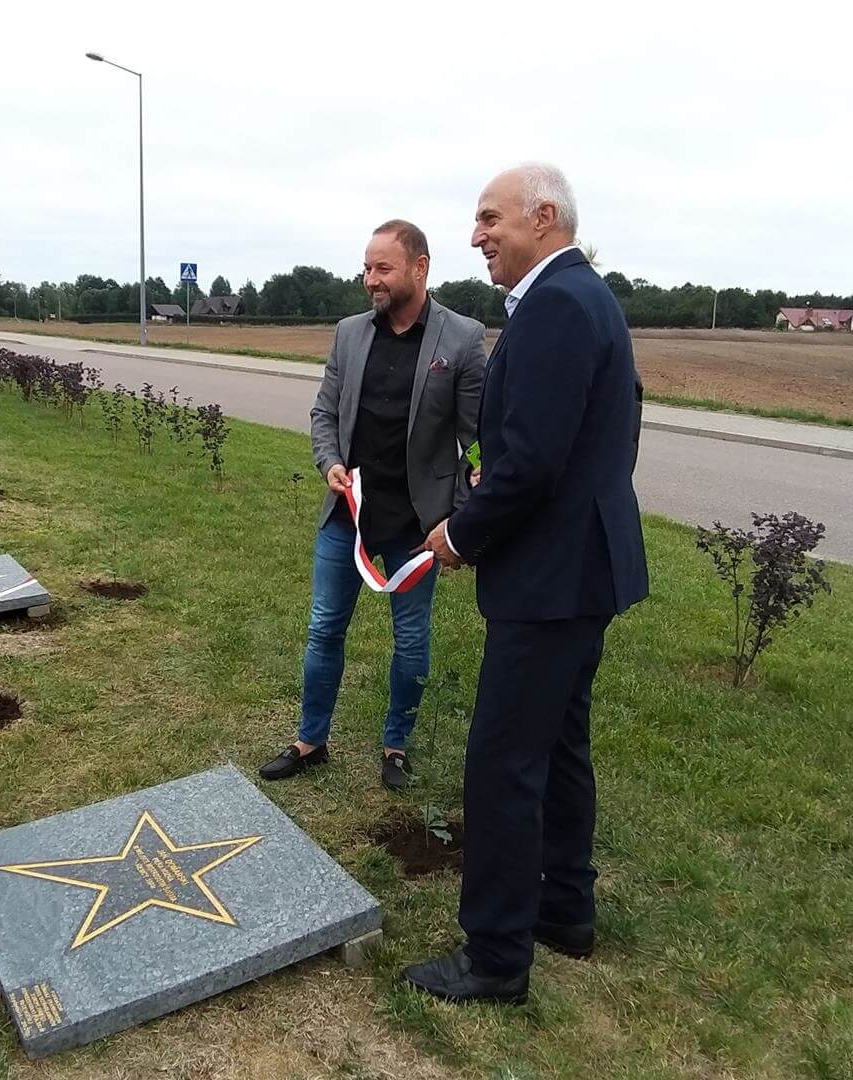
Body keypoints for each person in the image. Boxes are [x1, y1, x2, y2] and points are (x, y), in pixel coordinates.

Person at [404, 164, 649, 1004]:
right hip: (580, 570)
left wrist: (462, 532)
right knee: (560, 745)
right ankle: (564, 909)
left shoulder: (557, 306)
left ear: (543, 217)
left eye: (490, 219)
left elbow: (535, 461)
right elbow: (588, 441)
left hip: (549, 578)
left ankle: (497, 956)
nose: (476, 236)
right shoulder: (588, 298)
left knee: (504, 761)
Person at [259, 219, 485, 790]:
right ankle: (311, 741)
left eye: (383, 268)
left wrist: (457, 517)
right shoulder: (349, 333)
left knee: (411, 641)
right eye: (366, 268)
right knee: (324, 628)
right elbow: (324, 412)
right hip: (349, 516)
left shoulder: (461, 339)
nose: (371, 279)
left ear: (420, 268)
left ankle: (395, 747)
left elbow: (477, 439)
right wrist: (328, 461)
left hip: (417, 525)